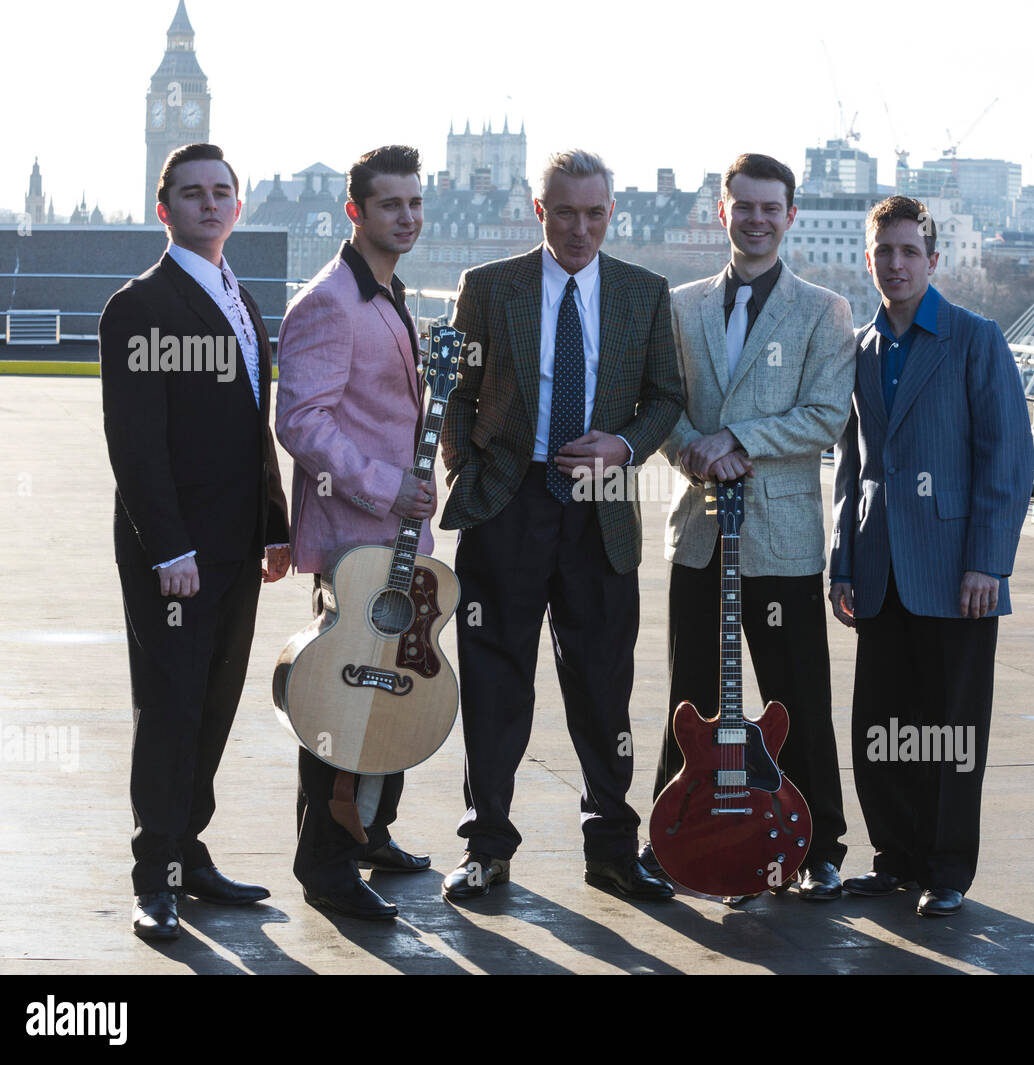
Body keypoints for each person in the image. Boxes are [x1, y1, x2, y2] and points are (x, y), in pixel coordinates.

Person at [439, 149, 683, 901]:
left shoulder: (644, 293)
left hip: (599, 514)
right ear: (538, 210)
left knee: (604, 688)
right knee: (494, 684)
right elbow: (459, 391)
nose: (581, 228)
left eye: (595, 213)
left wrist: (624, 446)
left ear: (613, 212)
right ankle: (487, 847)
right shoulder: (490, 287)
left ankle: (612, 846)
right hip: (508, 506)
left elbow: (666, 399)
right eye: (566, 212)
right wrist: (465, 471)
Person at [643, 153, 855, 900]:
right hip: (699, 529)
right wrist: (694, 451)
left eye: (772, 207)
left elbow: (827, 415)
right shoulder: (680, 305)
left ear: (790, 215)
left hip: (780, 536)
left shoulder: (825, 310)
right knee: (691, 694)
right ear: (722, 211)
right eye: (745, 206)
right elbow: (661, 404)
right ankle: (671, 834)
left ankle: (821, 843)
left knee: (797, 694)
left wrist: (736, 439)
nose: (757, 219)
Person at [99, 143, 290, 941]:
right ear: (164, 207)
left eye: (222, 192)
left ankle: (190, 850)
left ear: (237, 206)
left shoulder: (240, 298)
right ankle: (156, 876)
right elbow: (134, 442)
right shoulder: (140, 304)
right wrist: (168, 548)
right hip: (173, 554)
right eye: (193, 193)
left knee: (214, 704)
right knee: (172, 707)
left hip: (238, 546)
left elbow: (254, 428)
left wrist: (274, 528)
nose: (210, 204)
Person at [829, 195, 1032, 917]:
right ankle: (896, 856)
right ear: (869, 258)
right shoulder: (859, 346)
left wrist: (990, 561)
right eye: (884, 251)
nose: (897, 263)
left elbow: (1007, 459)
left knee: (949, 726)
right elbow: (850, 464)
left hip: (955, 571)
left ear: (933, 260)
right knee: (882, 723)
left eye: (910, 251)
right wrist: (842, 562)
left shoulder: (976, 339)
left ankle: (946, 868)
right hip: (879, 566)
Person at [274, 145, 437, 921]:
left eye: (413, 202)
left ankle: (372, 831)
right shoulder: (329, 302)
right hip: (355, 536)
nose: (405, 216)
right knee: (341, 694)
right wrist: (386, 484)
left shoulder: (389, 292)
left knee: (396, 682)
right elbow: (299, 421)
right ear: (356, 212)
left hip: (398, 537)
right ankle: (325, 862)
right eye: (389, 205)